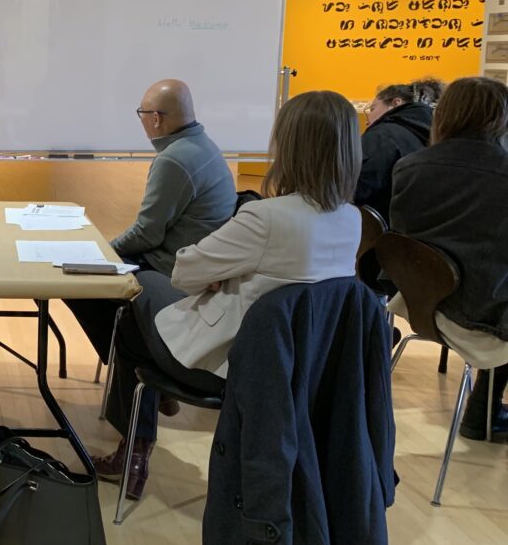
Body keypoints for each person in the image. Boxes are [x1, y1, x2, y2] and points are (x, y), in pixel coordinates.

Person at [96, 90, 361, 500]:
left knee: (138, 293)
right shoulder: (351, 220)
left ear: (288, 144)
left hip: (233, 365)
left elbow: (185, 270)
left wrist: (224, 272)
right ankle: (141, 427)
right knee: (141, 318)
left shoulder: (266, 217)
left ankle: (132, 451)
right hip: (304, 372)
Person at [64, 79, 235, 363]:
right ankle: (134, 362)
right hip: (195, 260)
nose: (141, 122)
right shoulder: (202, 144)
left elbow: (147, 235)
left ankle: (135, 362)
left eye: (141, 114)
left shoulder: (174, 160)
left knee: (74, 284)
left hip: (170, 267)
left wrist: (102, 250)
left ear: (155, 119)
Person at [388, 76, 508, 441]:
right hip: (487, 317)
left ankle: (483, 411)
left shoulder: (409, 167)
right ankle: (483, 412)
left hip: (420, 305)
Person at [355, 83, 432, 221]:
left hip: (380, 228)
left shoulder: (382, 135)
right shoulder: (428, 134)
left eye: (373, 109)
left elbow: (359, 186)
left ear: (396, 103)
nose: (368, 119)